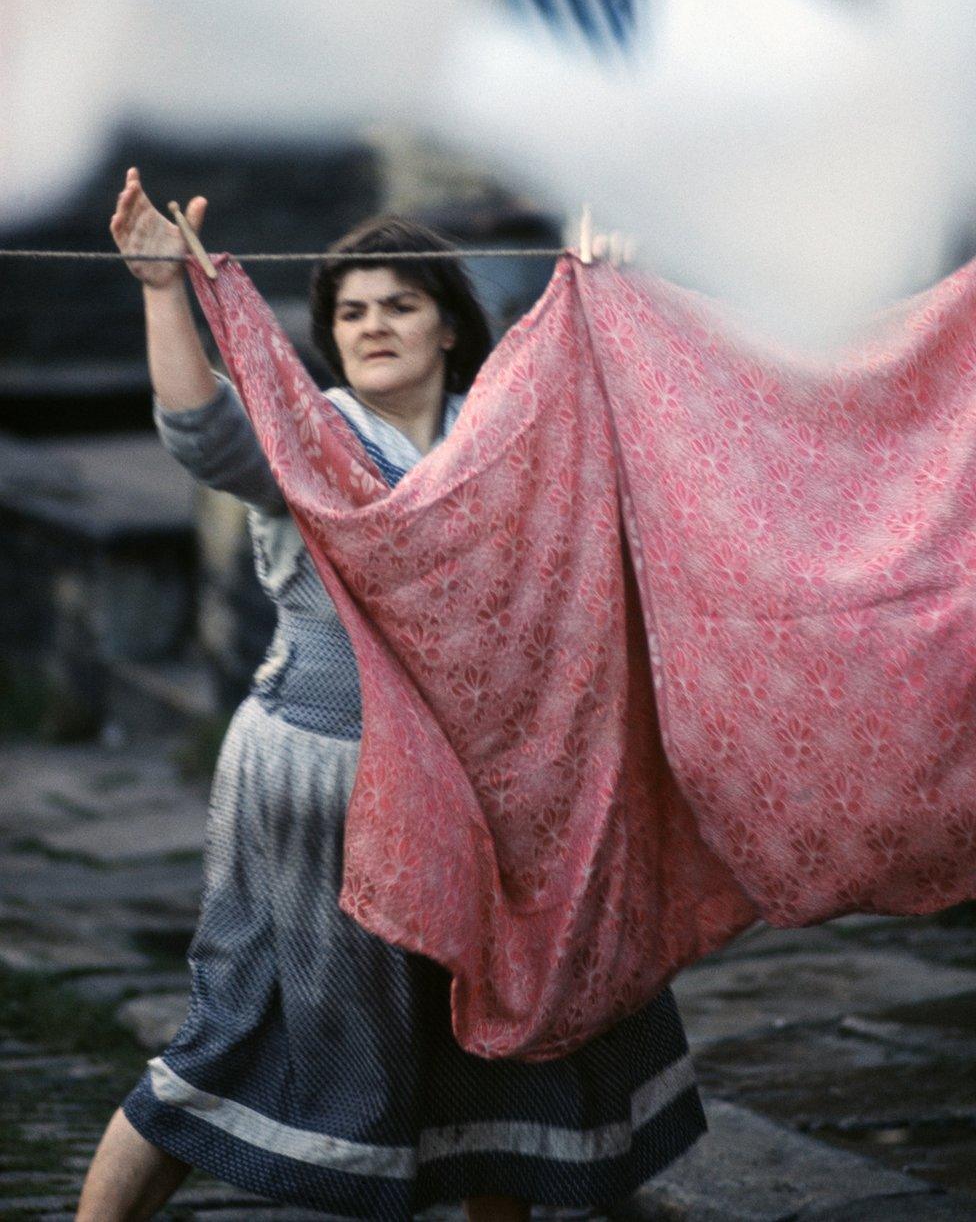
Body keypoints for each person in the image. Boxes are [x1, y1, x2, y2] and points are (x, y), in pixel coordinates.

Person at [77, 168, 705, 1222]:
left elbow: (616, 433)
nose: (372, 326)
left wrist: (612, 296)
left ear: (448, 325)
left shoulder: (500, 433)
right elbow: (202, 431)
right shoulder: (305, 436)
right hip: (324, 783)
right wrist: (157, 289)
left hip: (487, 793)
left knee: (502, 1043)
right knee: (240, 1031)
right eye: (350, 311)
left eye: (399, 305)